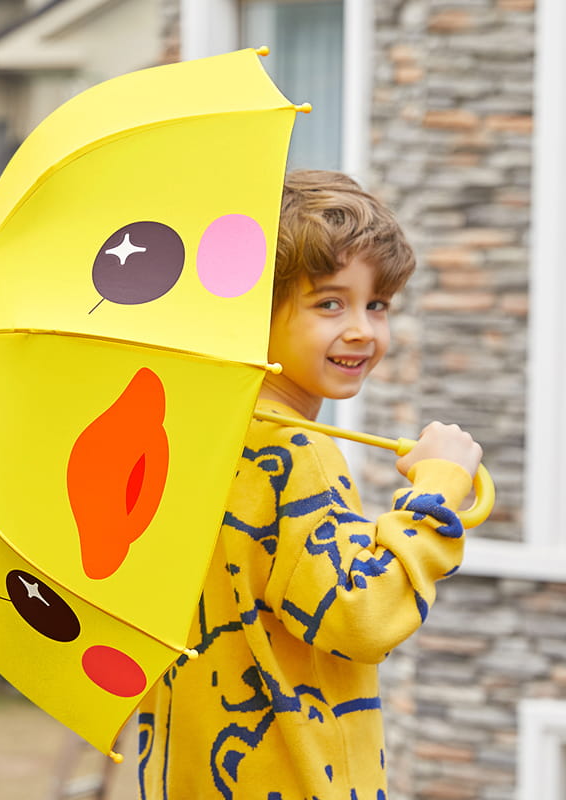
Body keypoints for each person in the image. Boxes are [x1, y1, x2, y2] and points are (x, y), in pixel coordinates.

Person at [137, 170, 483, 800]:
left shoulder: (195, 440)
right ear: (254, 313)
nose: (362, 330)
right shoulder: (296, 453)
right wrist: (439, 490)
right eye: (329, 303)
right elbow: (358, 615)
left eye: (376, 304)